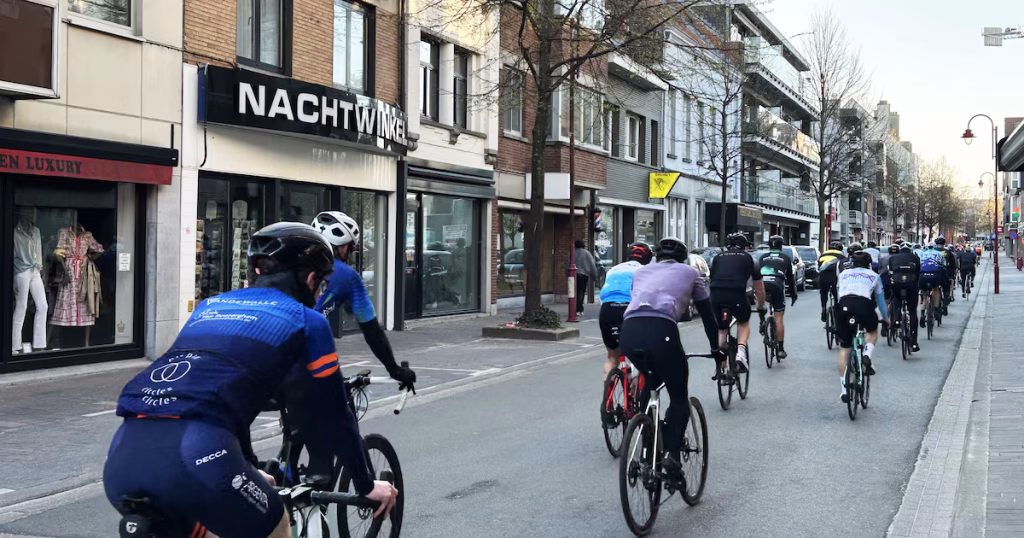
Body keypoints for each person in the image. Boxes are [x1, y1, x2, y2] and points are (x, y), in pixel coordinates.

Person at [104, 222, 398, 538]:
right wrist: (366, 485)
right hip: (198, 459)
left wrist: (247, 465)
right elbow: (335, 415)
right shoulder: (307, 321)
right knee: (276, 523)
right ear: (311, 279)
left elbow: (218, 395)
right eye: (321, 283)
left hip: (121, 461)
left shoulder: (209, 307)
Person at [309, 211, 416, 480]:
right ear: (343, 245)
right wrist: (394, 369)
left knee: (299, 424)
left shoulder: (291, 266)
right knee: (340, 417)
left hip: (266, 360)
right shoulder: (346, 275)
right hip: (305, 361)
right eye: (349, 247)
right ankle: (328, 487)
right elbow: (371, 330)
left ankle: (288, 474)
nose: (348, 252)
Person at [618, 238, 723, 484]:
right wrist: (715, 349)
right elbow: (707, 315)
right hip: (661, 329)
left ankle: (645, 447)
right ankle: (671, 456)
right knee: (678, 394)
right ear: (683, 258)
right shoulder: (690, 272)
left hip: (629, 330)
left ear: (657, 256)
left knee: (651, 381)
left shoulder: (641, 272)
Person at [709, 232, 767, 373]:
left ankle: (721, 367)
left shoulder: (716, 258)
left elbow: (713, 278)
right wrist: (760, 307)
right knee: (743, 322)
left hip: (716, 294)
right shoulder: (750, 259)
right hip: (736, 293)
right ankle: (741, 353)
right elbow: (759, 289)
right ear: (744, 246)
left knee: (722, 327)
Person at [836, 251, 887, 403]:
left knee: (844, 348)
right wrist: (886, 319)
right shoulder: (874, 276)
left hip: (844, 306)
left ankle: (844, 390)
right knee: (872, 331)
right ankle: (866, 356)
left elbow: (839, 295)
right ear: (869, 264)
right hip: (863, 305)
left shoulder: (843, 274)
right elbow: (881, 301)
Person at [598, 242, 654, 378]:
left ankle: (607, 396)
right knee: (643, 354)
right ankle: (637, 388)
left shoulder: (613, 269)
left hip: (607, 310)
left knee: (612, 358)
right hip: (630, 309)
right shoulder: (647, 271)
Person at [757, 235, 797, 359]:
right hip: (777, 285)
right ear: (781, 246)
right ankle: (780, 349)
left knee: (760, 303)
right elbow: (790, 280)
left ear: (769, 246)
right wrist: (793, 294)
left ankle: (762, 321)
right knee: (779, 319)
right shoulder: (785, 258)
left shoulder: (763, 257)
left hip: (762, 284)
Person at [888, 243, 922, 352]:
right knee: (912, 311)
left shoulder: (893, 258)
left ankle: (897, 319)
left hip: (897, 282)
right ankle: (914, 342)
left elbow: (891, 271)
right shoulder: (916, 257)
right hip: (911, 283)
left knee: (896, 300)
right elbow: (918, 273)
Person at [568, 239, 599, 315]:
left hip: (573, 275)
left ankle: (575, 308)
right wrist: (595, 276)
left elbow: (567, 263)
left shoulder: (571, 253)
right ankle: (579, 309)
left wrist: (567, 273)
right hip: (584, 274)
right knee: (581, 291)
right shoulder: (587, 253)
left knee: (574, 292)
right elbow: (592, 265)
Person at [918, 243, 945, 327]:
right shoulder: (939, 254)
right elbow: (942, 265)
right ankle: (936, 309)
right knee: (935, 289)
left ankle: (922, 313)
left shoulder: (922, 254)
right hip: (935, 274)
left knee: (923, 293)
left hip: (922, 275)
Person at [818, 241, 845, 322]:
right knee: (836, 294)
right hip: (835, 277)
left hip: (823, 276)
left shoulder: (822, 255)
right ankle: (837, 311)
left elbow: (819, 267)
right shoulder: (842, 256)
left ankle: (823, 308)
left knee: (823, 293)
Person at [935, 237, 957, 313]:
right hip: (945, 273)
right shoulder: (948, 252)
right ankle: (945, 303)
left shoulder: (932, 251)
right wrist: (953, 274)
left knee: (934, 288)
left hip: (934, 273)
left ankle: (934, 305)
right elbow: (953, 265)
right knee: (946, 289)